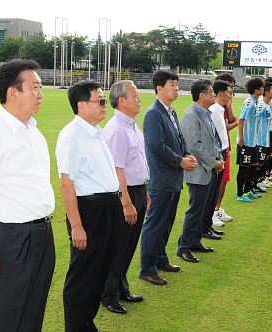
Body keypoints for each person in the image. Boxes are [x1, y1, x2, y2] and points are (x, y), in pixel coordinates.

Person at [0, 59, 56, 332]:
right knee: (5, 316)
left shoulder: (34, 132)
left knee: (33, 312)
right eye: (35, 87)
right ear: (12, 92)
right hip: (11, 238)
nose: (41, 94)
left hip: (42, 232)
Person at [56, 79, 121, 332]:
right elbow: (66, 184)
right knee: (83, 276)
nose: (105, 105)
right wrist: (77, 227)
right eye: (100, 100)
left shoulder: (96, 132)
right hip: (90, 211)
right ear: (82, 105)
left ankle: (86, 324)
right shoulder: (72, 135)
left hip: (107, 207)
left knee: (100, 272)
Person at [140, 69, 196, 285]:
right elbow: (157, 146)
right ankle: (147, 267)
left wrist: (185, 154)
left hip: (172, 177)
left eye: (176, 84)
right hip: (161, 179)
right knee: (155, 224)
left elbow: (178, 138)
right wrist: (179, 160)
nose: (176, 88)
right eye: (172, 84)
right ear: (159, 88)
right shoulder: (153, 113)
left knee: (166, 222)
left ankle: (160, 259)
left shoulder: (170, 111)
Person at [101, 80, 150, 315]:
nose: (139, 99)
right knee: (118, 247)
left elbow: (137, 162)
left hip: (138, 191)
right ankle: (108, 295)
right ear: (122, 100)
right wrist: (127, 201)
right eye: (135, 95)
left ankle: (120, 288)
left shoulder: (131, 126)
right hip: (125, 194)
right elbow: (116, 170)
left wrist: (144, 193)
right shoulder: (117, 129)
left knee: (129, 245)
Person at [177, 79, 225, 263]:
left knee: (204, 209)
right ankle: (184, 247)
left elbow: (212, 140)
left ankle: (195, 241)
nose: (214, 94)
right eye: (211, 91)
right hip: (200, 170)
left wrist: (218, 159)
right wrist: (213, 163)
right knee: (196, 210)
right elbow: (194, 146)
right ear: (202, 95)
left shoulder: (205, 113)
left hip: (211, 168)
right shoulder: (191, 115)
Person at [212, 73, 238, 226]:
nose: (231, 93)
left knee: (223, 182)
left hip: (225, 146)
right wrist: (238, 122)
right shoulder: (214, 109)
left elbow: (231, 120)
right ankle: (213, 211)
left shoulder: (222, 107)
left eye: (233, 89)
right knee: (217, 183)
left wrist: (228, 106)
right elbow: (229, 125)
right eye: (229, 90)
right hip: (218, 149)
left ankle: (217, 209)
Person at [236, 77, 265, 202]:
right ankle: (239, 194)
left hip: (254, 141)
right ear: (256, 89)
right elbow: (241, 120)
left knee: (253, 165)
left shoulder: (256, 102)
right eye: (262, 87)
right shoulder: (249, 102)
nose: (263, 89)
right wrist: (241, 138)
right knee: (243, 167)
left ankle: (248, 190)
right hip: (246, 140)